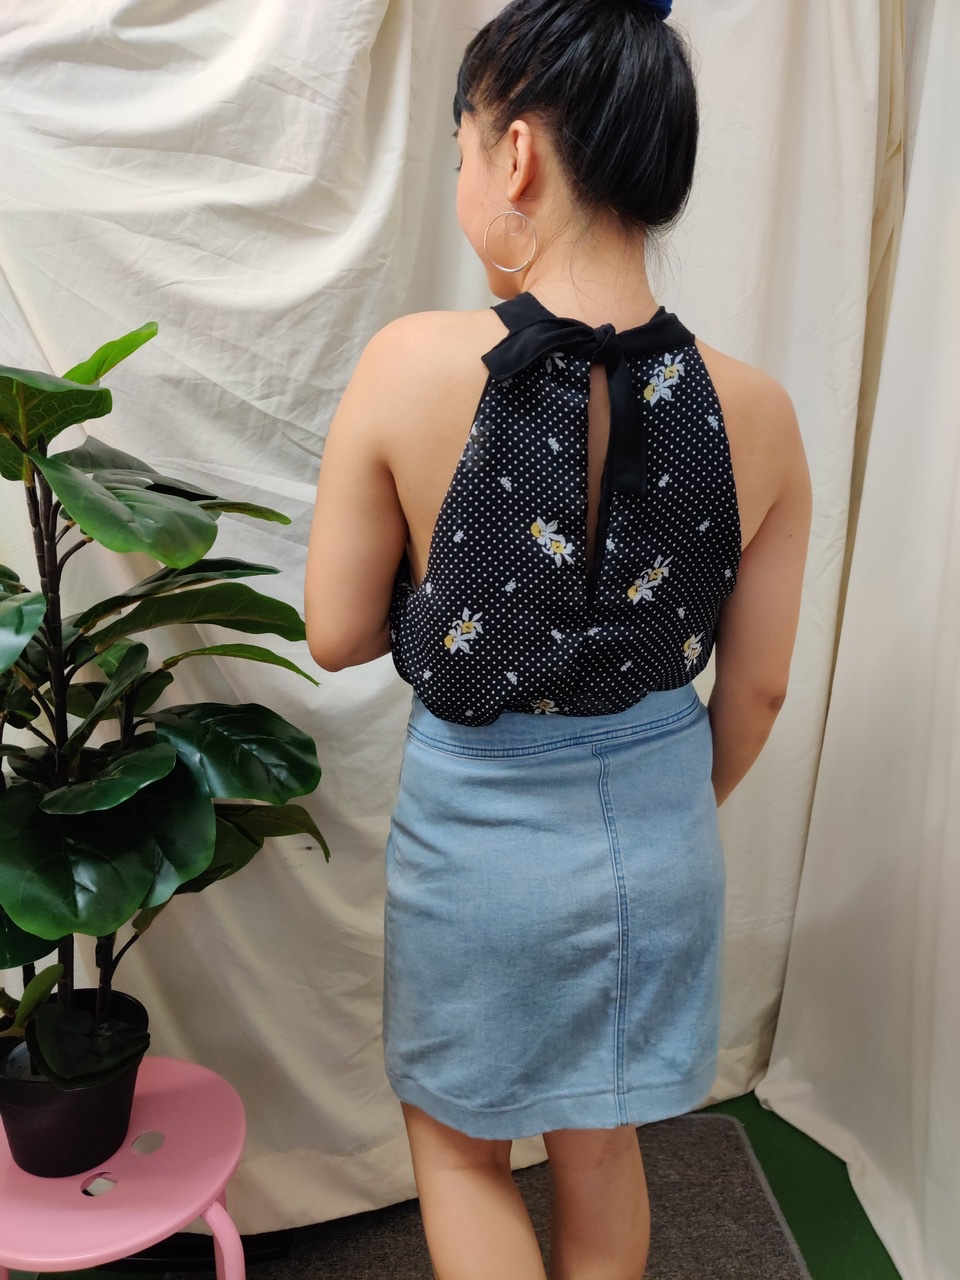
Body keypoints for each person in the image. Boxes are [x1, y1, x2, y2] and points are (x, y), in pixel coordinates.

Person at [305, 0, 811, 1275]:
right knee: (601, 1141)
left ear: (517, 153)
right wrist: (652, 800)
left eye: (464, 152)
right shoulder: (760, 410)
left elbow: (334, 629)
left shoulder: (410, 365)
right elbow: (756, 692)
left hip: (478, 844)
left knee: (462, 1152)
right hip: (663, 840)